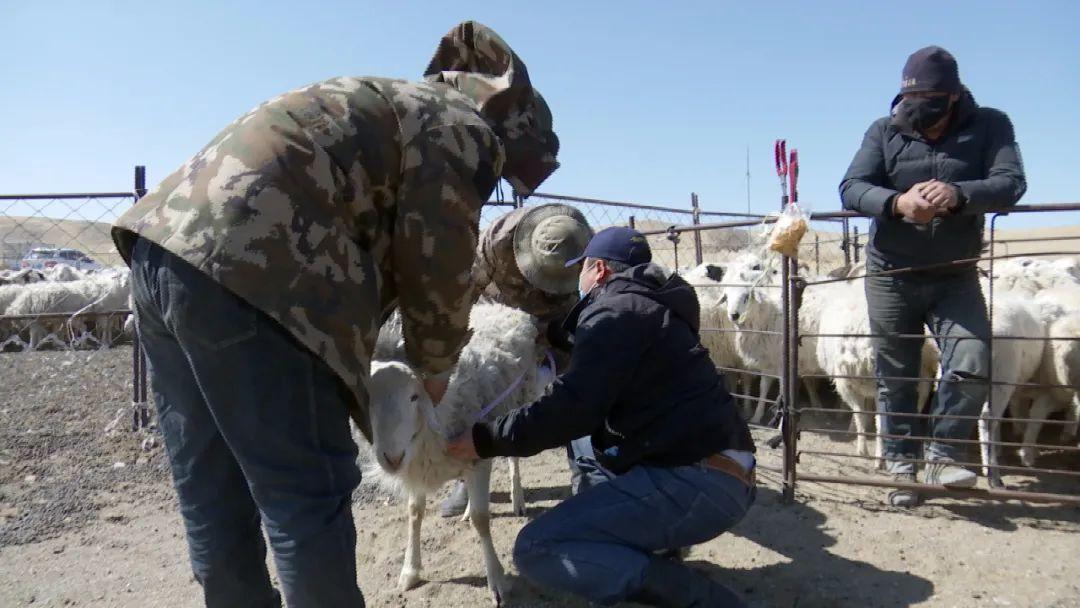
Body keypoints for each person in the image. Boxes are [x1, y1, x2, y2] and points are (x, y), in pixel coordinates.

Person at [111, 21, 559, 607]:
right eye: (507, 171)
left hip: (160, 253)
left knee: (211, 486)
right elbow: (438, 258)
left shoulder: (386, 103)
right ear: (508, 128)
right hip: (256, 270)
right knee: (307, 496)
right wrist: (436, 371)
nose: (497, 180)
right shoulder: (461, 128)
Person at [448, 226, 756, 607]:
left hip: (698, 484)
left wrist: (485, 440)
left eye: (582, 269)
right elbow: (603, 348)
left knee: (536, 547)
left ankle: (700, 597)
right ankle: (633, 544)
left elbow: (571, 407)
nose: (578, 278)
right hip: (719, 469)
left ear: (599, 270)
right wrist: (555, 333)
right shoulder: (646, 307)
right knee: (585, 442)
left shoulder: (616, 313)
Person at [839, 46, 1026, 506]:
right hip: (891, 272)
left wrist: (959, 193)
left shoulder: (991, 126)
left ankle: (943, 454)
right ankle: (903, 468)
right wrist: (897, 203)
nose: (922, 115)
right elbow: (851, 187)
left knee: (972, 358)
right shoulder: (884, 130)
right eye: (912, 102)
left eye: (932, 105)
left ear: (954, 98)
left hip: (954, 274)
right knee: (897, 372)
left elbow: (1011, 182)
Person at [438, 203, 597, 517]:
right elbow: (467, 291)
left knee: (575, 389)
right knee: (478, 393)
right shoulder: (497, 241)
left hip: (554, 323)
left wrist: (555, 337)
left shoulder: (584, 243)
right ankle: (467, 480)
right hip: (496, 324)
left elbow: (585, 302)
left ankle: (585, 473)